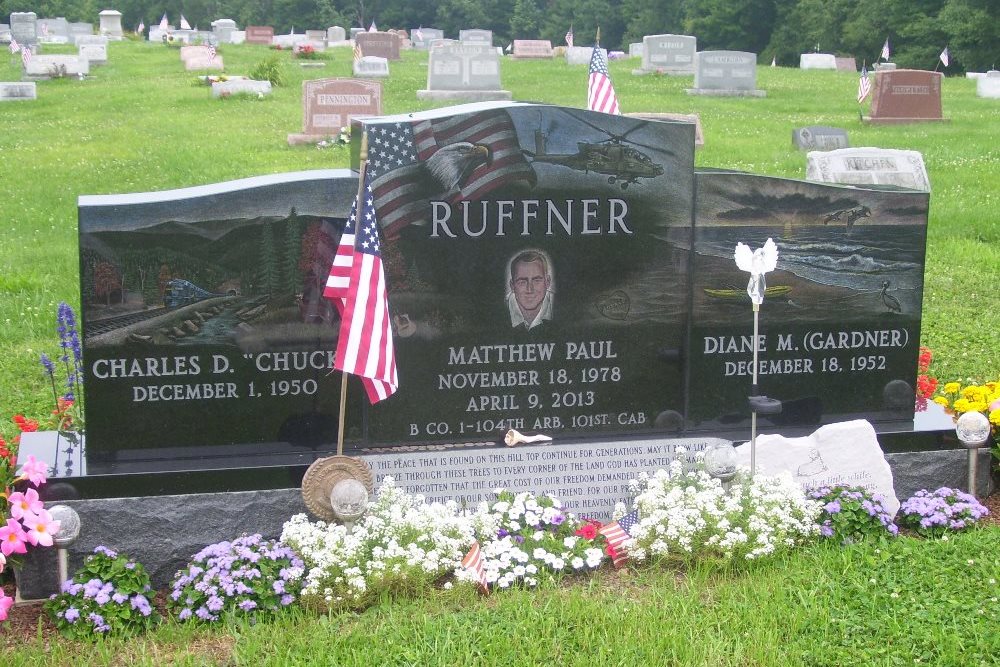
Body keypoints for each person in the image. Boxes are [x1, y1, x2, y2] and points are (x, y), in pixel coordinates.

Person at [506, 250, 553, 329]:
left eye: (537, 280)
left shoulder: (561, 304)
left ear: (547, 282)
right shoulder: (498, 308)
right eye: (522, 282)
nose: (530, 289)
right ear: (512, 286)